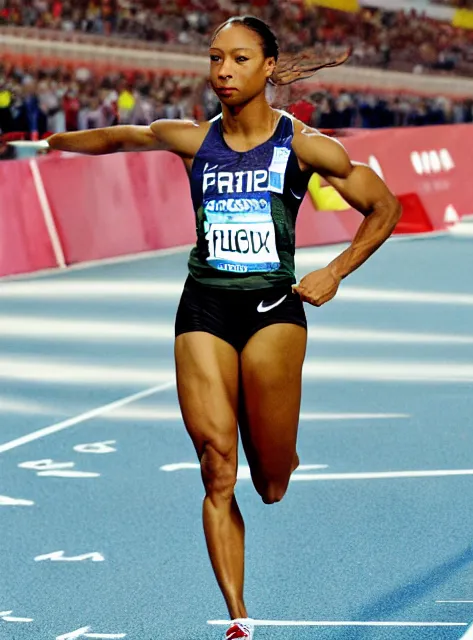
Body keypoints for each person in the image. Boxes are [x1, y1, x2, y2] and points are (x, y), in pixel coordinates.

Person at [42, 16, 401, 640]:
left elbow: (385, 206)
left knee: (270, 482)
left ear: (268, 68)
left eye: (238, 59)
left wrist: (336, 271)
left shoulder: (307, 146)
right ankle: (238, 619)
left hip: (272, 311)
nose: (223, 71)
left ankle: (280, 460)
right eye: (215, 59)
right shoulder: (190, 139)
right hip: (203, 308)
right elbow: (123, 137)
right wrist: (49, 146)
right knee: (215, 465)